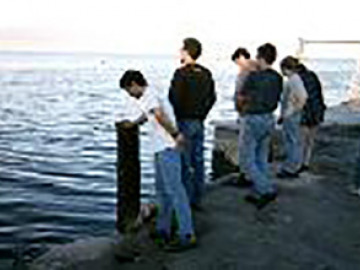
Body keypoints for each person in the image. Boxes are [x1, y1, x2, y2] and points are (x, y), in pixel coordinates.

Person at [119, 70, 196, 250]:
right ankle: (164, 228)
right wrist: (134, 123)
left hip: (167, 147)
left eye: (129, 90)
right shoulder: (150, 95)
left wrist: (176, 135)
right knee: (162, 191)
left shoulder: (149, 95)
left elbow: (159, 115)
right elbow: (149, 114)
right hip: (160, 148)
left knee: (176, 191)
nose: (130, 95)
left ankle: (187, 234)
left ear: (134, 84)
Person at [169, 38, 216, 209]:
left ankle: (185, 201)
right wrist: (202, 114)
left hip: (184, 121)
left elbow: (174, 98)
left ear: (187, 52)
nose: (179, 52)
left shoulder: (181, 74)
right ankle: (198, 198)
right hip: (199, 121)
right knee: (198, 160)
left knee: (185, 162)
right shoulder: (206, 73)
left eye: (181, 49)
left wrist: (177, 117)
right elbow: (212, 98)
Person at [238, 43, 283, 209]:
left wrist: (242, 109)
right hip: (269, 118)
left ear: (261, 58)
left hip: (253, 118)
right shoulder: (278, 77)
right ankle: (258, 191)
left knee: (246, 160)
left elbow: (241, 96)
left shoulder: (254, 76)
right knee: (261, 157)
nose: (255, 60)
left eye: (257, 57)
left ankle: (266, 189)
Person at [277, 56, 308, 178]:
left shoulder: (294, 80)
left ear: (285, 68)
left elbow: (303, 97)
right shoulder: (294, 79)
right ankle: (293, 166)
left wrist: (291, 112)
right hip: (290, 114)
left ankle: (291, 168)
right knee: (292, 140)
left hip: (292, 115)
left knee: (292, 141)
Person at [231, 47, 258, 186]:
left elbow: (241, 92)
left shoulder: (247, 70)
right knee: (255, 148)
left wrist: (239, 107)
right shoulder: (258, 68)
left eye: (237, 61)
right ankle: (254, 175)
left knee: (245, 146)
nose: (237, 65)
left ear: (241, 57)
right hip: (256, 111)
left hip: (246, 112)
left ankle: (245, 175)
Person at [297, 62, 326, 172]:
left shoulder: (298, 79)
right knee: (310, 141)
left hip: (305, 112)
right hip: (317, 111)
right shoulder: (313, 76)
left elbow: (300, 98)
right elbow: (319, 94)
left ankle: (299, 163)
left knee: (301, 140)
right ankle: (306, 162)